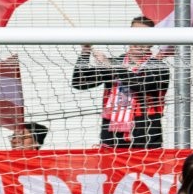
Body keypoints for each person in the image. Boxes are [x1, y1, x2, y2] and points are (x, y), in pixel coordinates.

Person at [71, 16, 170, 149]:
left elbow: (139, 84)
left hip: (146, 139)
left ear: (152, 41)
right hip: (111, 137)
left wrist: (112, 67)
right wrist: (85, 52)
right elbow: (79, 82)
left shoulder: (159, 67)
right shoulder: (113, 64)